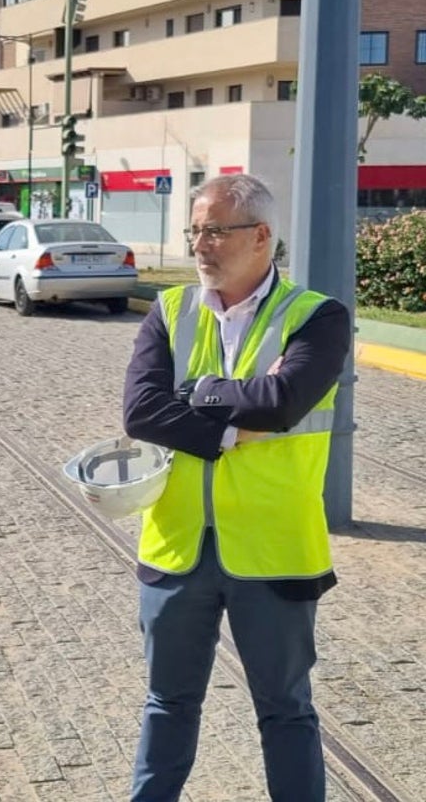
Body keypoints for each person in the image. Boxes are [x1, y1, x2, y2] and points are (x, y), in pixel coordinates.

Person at [122, 173, 351, 802]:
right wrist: (227, 428)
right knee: (167, 703)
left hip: (274, 550)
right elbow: (140, 412)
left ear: (261, 237)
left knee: (285, 709)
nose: (201, 245)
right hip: (175, 546)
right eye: (195, 231)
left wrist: (194, 393)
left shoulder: (317, 318)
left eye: (216, 231)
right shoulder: (172, 311)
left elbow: (281, 401)